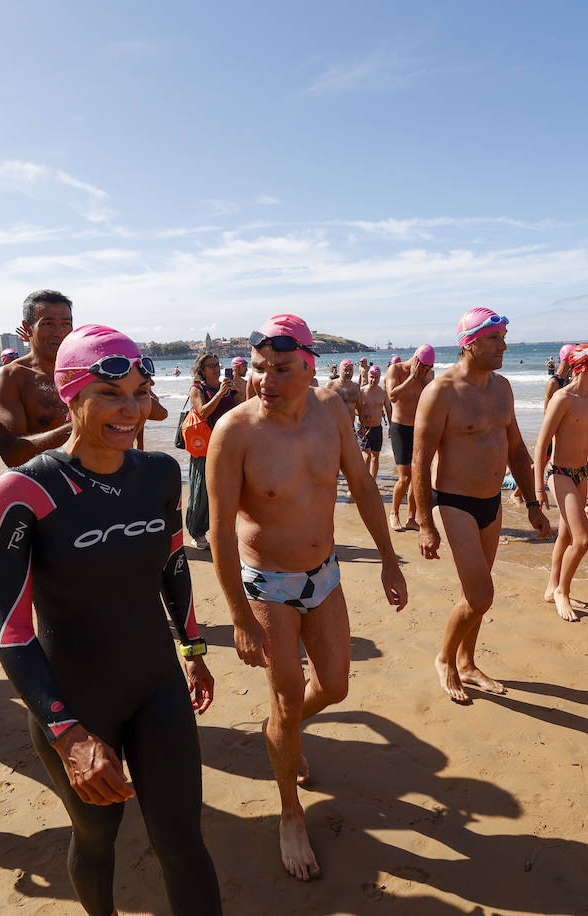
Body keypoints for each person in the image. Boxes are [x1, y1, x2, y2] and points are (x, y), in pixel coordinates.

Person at [0, 326, 222, 914]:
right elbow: (10, 631)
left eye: (140, 393)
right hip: (75, 700)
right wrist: (68, 734)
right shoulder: (22, 490)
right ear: (71, 395)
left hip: (156, 684)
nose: (132, 410)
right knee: (96, 837)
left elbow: (171, 564)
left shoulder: (158, 474)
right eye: (111, 394)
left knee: (183, 841)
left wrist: (192, 649)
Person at [208, 313, 407, 882]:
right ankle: (289, 815)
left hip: (325, 573)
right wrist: (240, 618)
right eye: (262, 368)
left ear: (309, 366)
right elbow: (220, 531)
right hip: (266, 582)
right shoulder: (237, 431)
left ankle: (281, 732)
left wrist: (390, 561)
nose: (267, 379)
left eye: (283, 369)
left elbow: (365, 486)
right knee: (289, 698)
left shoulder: (332, 412)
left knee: (336, 687)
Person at [414, 308, 552, 703]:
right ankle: (445, 659)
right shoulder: (440, 392)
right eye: (495, 339)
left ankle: (468, 662)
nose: (504, 346)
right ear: (469, 344)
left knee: (475, 594)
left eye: (504, 337)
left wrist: (532, 502)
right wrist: (425, 524)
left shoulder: (503, 387)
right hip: (454, 502)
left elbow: (516, 450)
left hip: (491, 502)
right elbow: (421, 462)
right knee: (480, 594)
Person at [533, 344, 588, 621]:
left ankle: (552, 587)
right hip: (560, 474)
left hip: (580, 476)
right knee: (584, 538)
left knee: (566, 536)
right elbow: (541, 443)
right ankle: (563, 591)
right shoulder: (562, 398)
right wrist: (538, 486)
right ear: (586, 368)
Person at [0, 290, 76, 467]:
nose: (59, 332)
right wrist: (80, 428)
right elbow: (12, 454)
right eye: (48, 323)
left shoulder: (85, 369)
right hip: (45, 484)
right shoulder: (11, 377)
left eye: (66, 323)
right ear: (28, 327)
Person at [185, 352, 242, 550]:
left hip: (228, 444)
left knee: (227, 489)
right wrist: (219, 394)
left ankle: (223, 529)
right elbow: (203, 411)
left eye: (218, 365)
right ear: (202, 370)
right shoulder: (197, 388)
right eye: (211, 366)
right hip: (205, 446)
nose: (217, 369)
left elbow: (243, 407)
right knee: (201, 491)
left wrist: (238, 389)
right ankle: (197, 533)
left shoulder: (226, 387)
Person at [385, 344, 435, 530]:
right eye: (423, 367)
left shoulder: (427, 375)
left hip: (419, 429)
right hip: (400, 428)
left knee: (418, 477)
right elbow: (392, 395)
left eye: (428, 368)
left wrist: (427, 378)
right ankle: (394, 513)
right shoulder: (395, 369)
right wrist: (412, 377)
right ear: (415, 360)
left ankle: (411, 518)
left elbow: (433, 396)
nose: (425, 371)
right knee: (405, 478)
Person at [355, 365, 390, 480]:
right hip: (363, 428)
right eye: (371, 377)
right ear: (368, 376)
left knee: (375, 456)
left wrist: (391, 427)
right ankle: (364, 480)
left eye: (376, 378)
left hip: (377, 428)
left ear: (379, 378)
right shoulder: (361, 392)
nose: (373, 380)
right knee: (367, 456)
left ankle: (372, 481)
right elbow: (354, 409)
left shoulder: (383, 393)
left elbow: (389, 411)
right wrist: (360, 416)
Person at [325, 358, 361, 423]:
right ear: (340, 370)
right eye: (345, 370)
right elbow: (323, 408)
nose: (348, 372)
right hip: (335, 428)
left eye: (351, 370)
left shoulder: (356, 387)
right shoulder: (330, 386)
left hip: (350, 427)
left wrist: (363, 426)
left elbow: (360, 408)